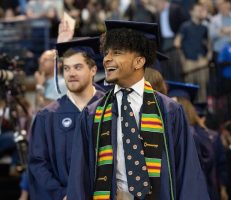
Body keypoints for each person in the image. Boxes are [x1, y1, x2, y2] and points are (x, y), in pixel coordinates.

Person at [67, 20, 209, 200]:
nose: (107, 58)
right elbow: (80, 175)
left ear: (139, 61)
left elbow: (187, 171)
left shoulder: (169, 111)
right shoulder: (93, 113)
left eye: (116, 53)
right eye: (106, 53)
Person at [28, 37, 105, 200]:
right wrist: (61, 194)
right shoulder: (48, 116)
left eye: (78, 67)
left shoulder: (111, 108)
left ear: (93, 70)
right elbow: (38, 163)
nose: (71, 74)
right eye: (67, 68)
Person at [174, 2, 210, 103]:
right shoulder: (185, 26)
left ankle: (203, 108)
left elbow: (208, 44)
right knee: (190, 86)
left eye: (201, 10)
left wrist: (208, 56)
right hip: (189, 60)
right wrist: (182, 59)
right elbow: (177, 42)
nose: (200, 12)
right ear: (191, 12)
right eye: (198, 10)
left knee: (203, 87)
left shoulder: (205, 28)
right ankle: (190, 109)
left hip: (201, 60)